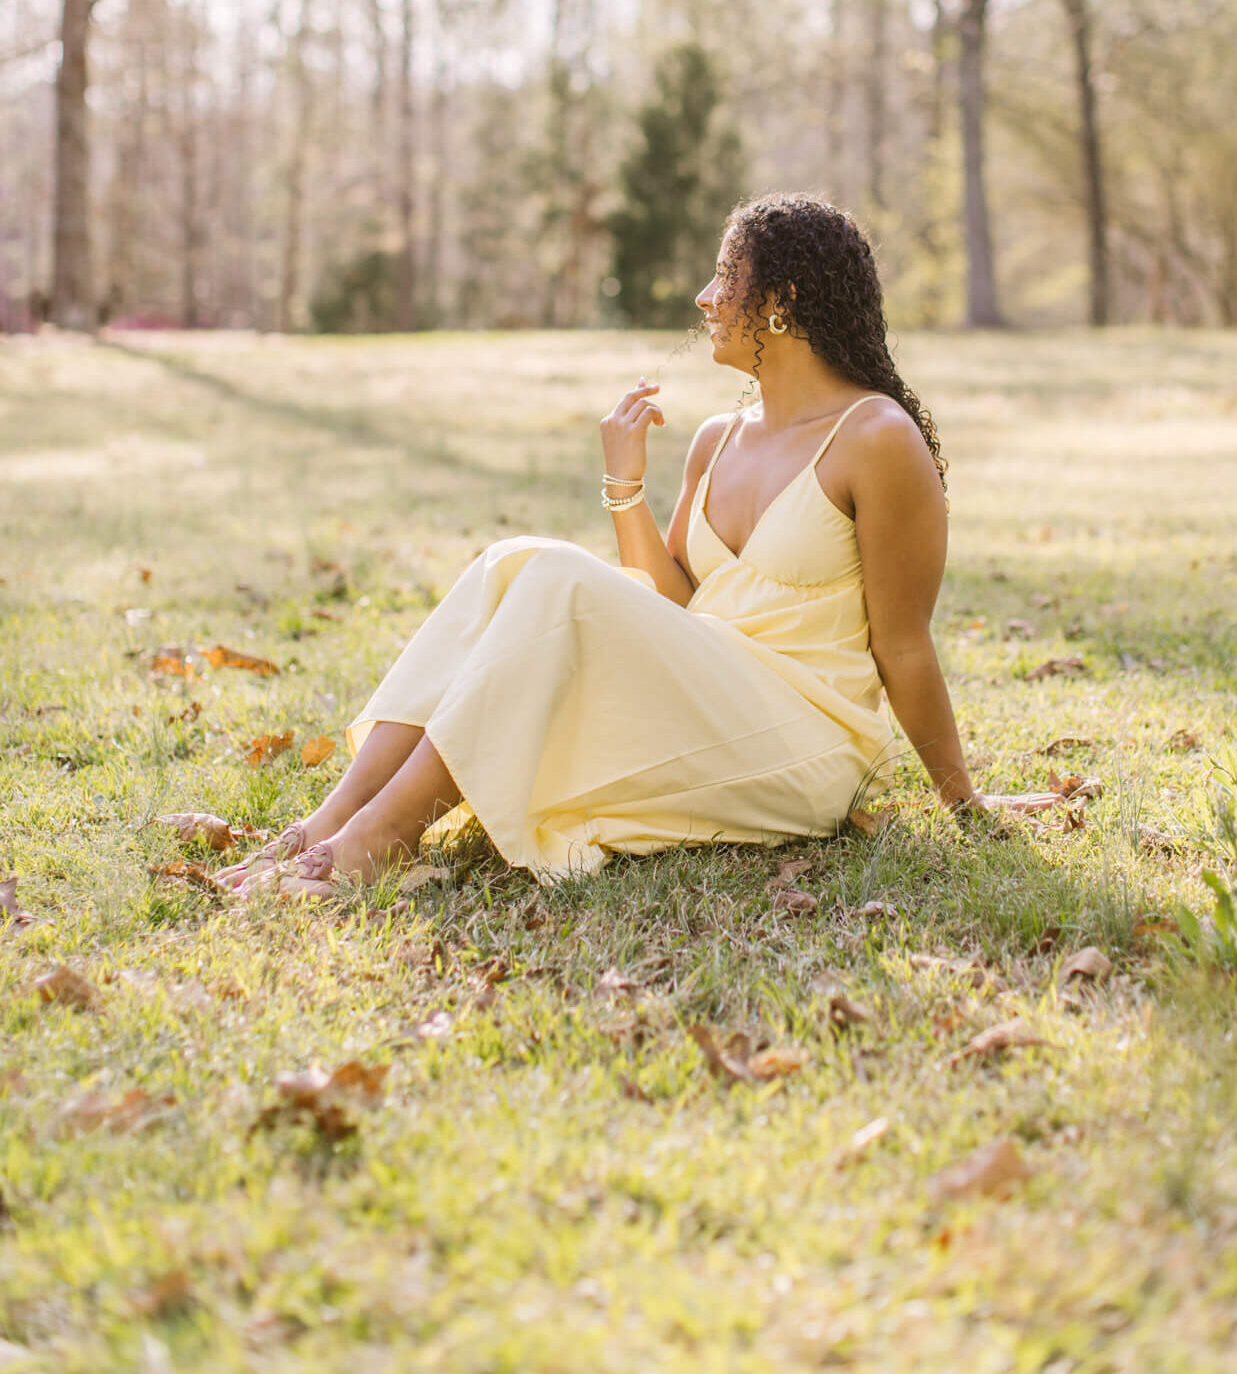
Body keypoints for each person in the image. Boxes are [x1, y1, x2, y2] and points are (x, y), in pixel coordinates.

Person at [220, 193, 983, 898]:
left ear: (781, 302)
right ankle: (333, 822)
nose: (704, 298)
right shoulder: (718, 438)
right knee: (509, 561)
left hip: (807, 743)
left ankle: (386, 837)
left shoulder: (877, 439)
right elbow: (679, 602)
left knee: (553, 574)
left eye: (726, 278)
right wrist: (625, 485)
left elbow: (905, 646)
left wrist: (965, 803)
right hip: (708, 702)